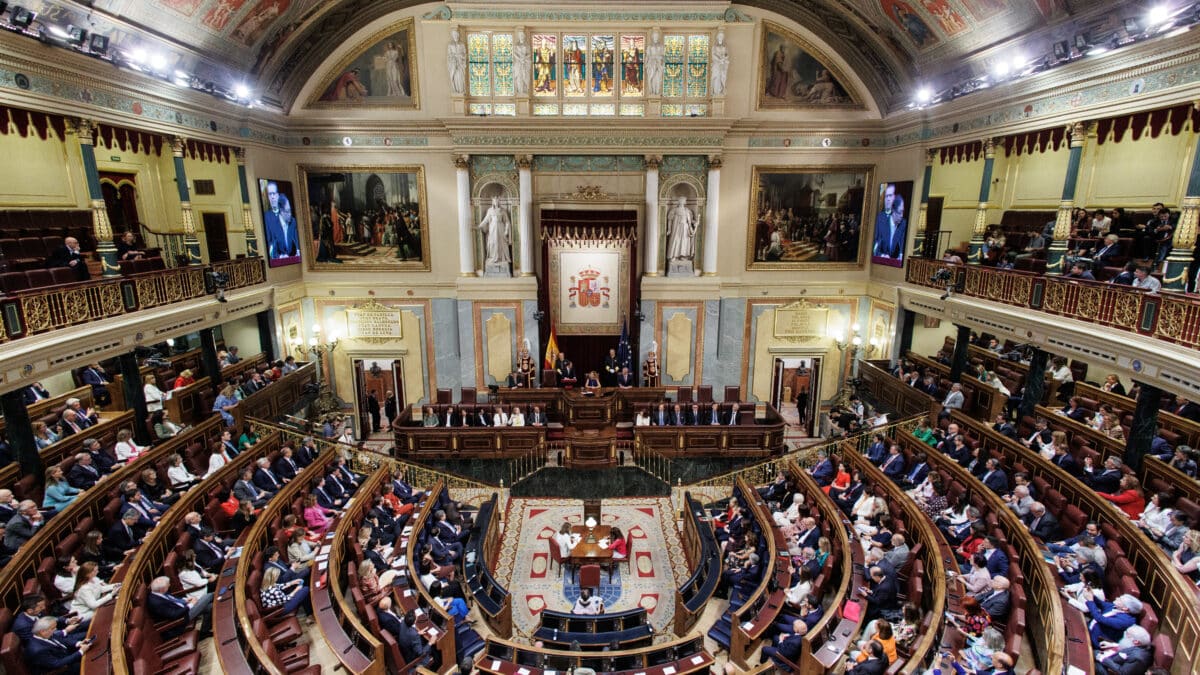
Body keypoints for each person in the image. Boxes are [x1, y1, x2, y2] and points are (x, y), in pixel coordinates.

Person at [477, 196, 512, 266]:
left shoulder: (503, 210)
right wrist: (479, 226)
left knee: (502, 242)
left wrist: (506, 230)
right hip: (492, 228)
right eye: (494, 201)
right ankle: (493, 256)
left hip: (500, 227)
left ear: (499, 202)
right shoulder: (490, 210)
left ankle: (501, 257)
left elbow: (507, 221)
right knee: (493, 242)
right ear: (492, 202)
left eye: (497, 201)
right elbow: (485, 220)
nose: (496, 202)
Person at [665, 197, 697, 263]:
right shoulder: (674, 210)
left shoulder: (687, 210)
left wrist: (695, 223)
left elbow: (690, 221)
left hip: (685, 228)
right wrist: (669, 229)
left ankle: (683, 255)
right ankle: (673, 255)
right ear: (679, 201)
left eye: (684, 200)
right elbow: (670, 220)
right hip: (676, 228)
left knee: (684, 241)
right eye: (682, 200)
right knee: (675, 240)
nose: (683, 201)